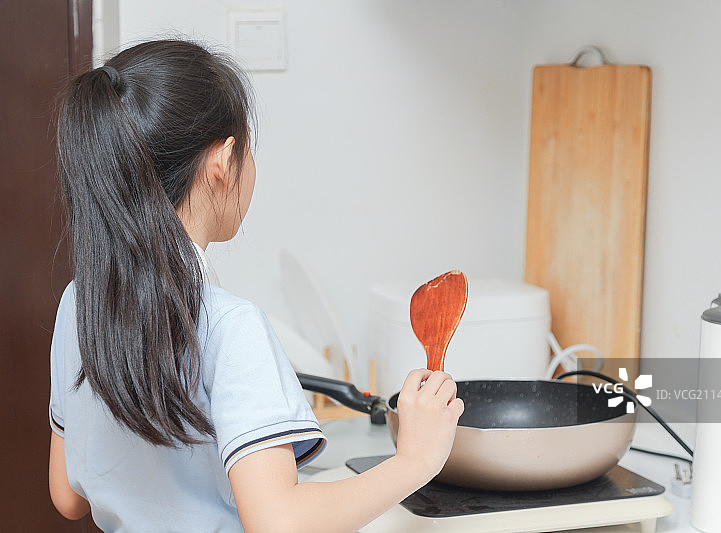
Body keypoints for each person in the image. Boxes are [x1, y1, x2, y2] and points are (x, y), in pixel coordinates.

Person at [48, 39, 464, 532]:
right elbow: (279, 524)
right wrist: (415, 461)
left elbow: (68, 495)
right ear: (223, 163)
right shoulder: (231, 328)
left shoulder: (79, 303)